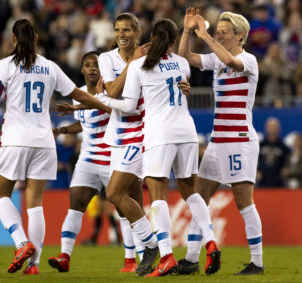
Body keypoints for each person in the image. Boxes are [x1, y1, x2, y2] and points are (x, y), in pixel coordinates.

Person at [0, 19, 108, 275]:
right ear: (37, 38)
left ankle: (20, 242)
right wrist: (107, 105)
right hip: (44, 142)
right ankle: (34, 264)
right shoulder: (50, 67)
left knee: (0, 195)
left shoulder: (5, 66)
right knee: (35, 204)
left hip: (15, 140)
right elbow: (78, 94)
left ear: (13, 38)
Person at [99, 18, 221, 277]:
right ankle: (210, 242)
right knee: (191, 192)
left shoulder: (139, 65)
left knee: (158, 197)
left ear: (151, 38)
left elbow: (130, 106)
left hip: (159, 134)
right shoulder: (182, 63)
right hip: (187, 132)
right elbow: (180, 83)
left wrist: (103, 99)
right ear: (174, 41)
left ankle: (166, 255)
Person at [178, 8, 265, 275]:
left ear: (239, 36)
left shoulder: (248, 60)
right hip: (217, 142)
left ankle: (257, 263)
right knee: (199, 197)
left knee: (243, 201)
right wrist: (187, 32)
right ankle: (192, 259)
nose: (218, 36)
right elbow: (185, 58)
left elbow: (231, 62)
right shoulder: (218, 61)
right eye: (217, 32)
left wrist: (204, 36)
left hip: (239, 140)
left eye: (223, 33)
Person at [47, 51, 121, 272]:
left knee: (124, 209)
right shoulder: (76, 94)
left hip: (111, 157)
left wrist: (85, 105)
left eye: (96, 64)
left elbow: (115, 112)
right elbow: (83, 125)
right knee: (76, 204)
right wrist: (61, 130)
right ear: (81, 69)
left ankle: (131, 259)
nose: (92, 68)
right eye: (87, 65)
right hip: (87, 159)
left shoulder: (112, 90)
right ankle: (65, 256)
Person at [96, 13, 156, 276]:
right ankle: (147, 257)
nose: (121, 34)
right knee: (131, 199)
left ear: (137, 32)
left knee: (113, 194)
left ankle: (152, 245)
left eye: (127, 30)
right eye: (117, 30)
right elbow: (113, 91)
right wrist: (131, 63)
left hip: (141, 134)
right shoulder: (106, 58)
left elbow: (112, 94)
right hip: (118, 137)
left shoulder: (147, 59)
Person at [257, 117, 290, 187]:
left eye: (275, 127)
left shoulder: (284, 147)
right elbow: (252, 160)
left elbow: (288, 162)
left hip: (278, 183)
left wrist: (286, 169)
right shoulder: (260, 145)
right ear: (266, 128)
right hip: (262, 182)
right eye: (271, 127)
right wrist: (255, 172)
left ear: (279, 129)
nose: (273, 130)